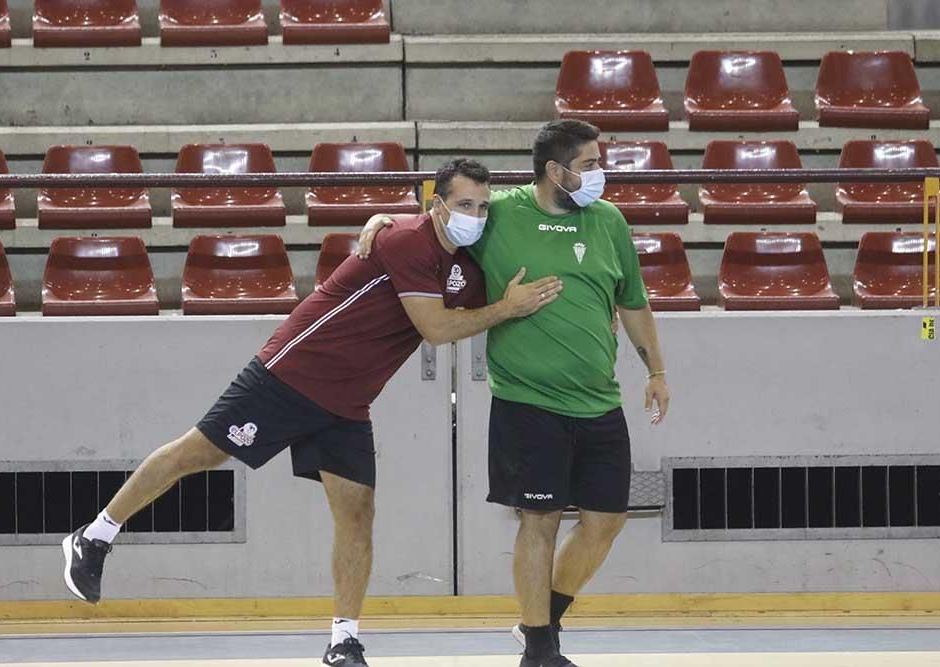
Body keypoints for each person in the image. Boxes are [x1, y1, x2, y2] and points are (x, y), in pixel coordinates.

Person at [60, 158, 563, 667]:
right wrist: (507, 308)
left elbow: (485, 284)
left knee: (357, 513)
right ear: (435, 205)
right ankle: (95, 534)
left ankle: (343, 640)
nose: (474, 215)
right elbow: (437, 328)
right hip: (291, 374)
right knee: (200, 453)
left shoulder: (467, 268)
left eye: (481, 206)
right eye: (462, 205)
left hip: (347, 402)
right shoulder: (406, 240)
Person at [359, 120, 671, 667]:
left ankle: (540, 620)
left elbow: (634, 301)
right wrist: (385, 221)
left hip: (599, 400)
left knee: (606, 522)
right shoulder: (501, 212)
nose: (602, 174)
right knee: (539, 522)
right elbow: (447, 218)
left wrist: (657, 371)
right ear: (556, 171)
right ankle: (540, 649)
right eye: (592, 164)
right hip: (527, 402)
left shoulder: (609, 221)